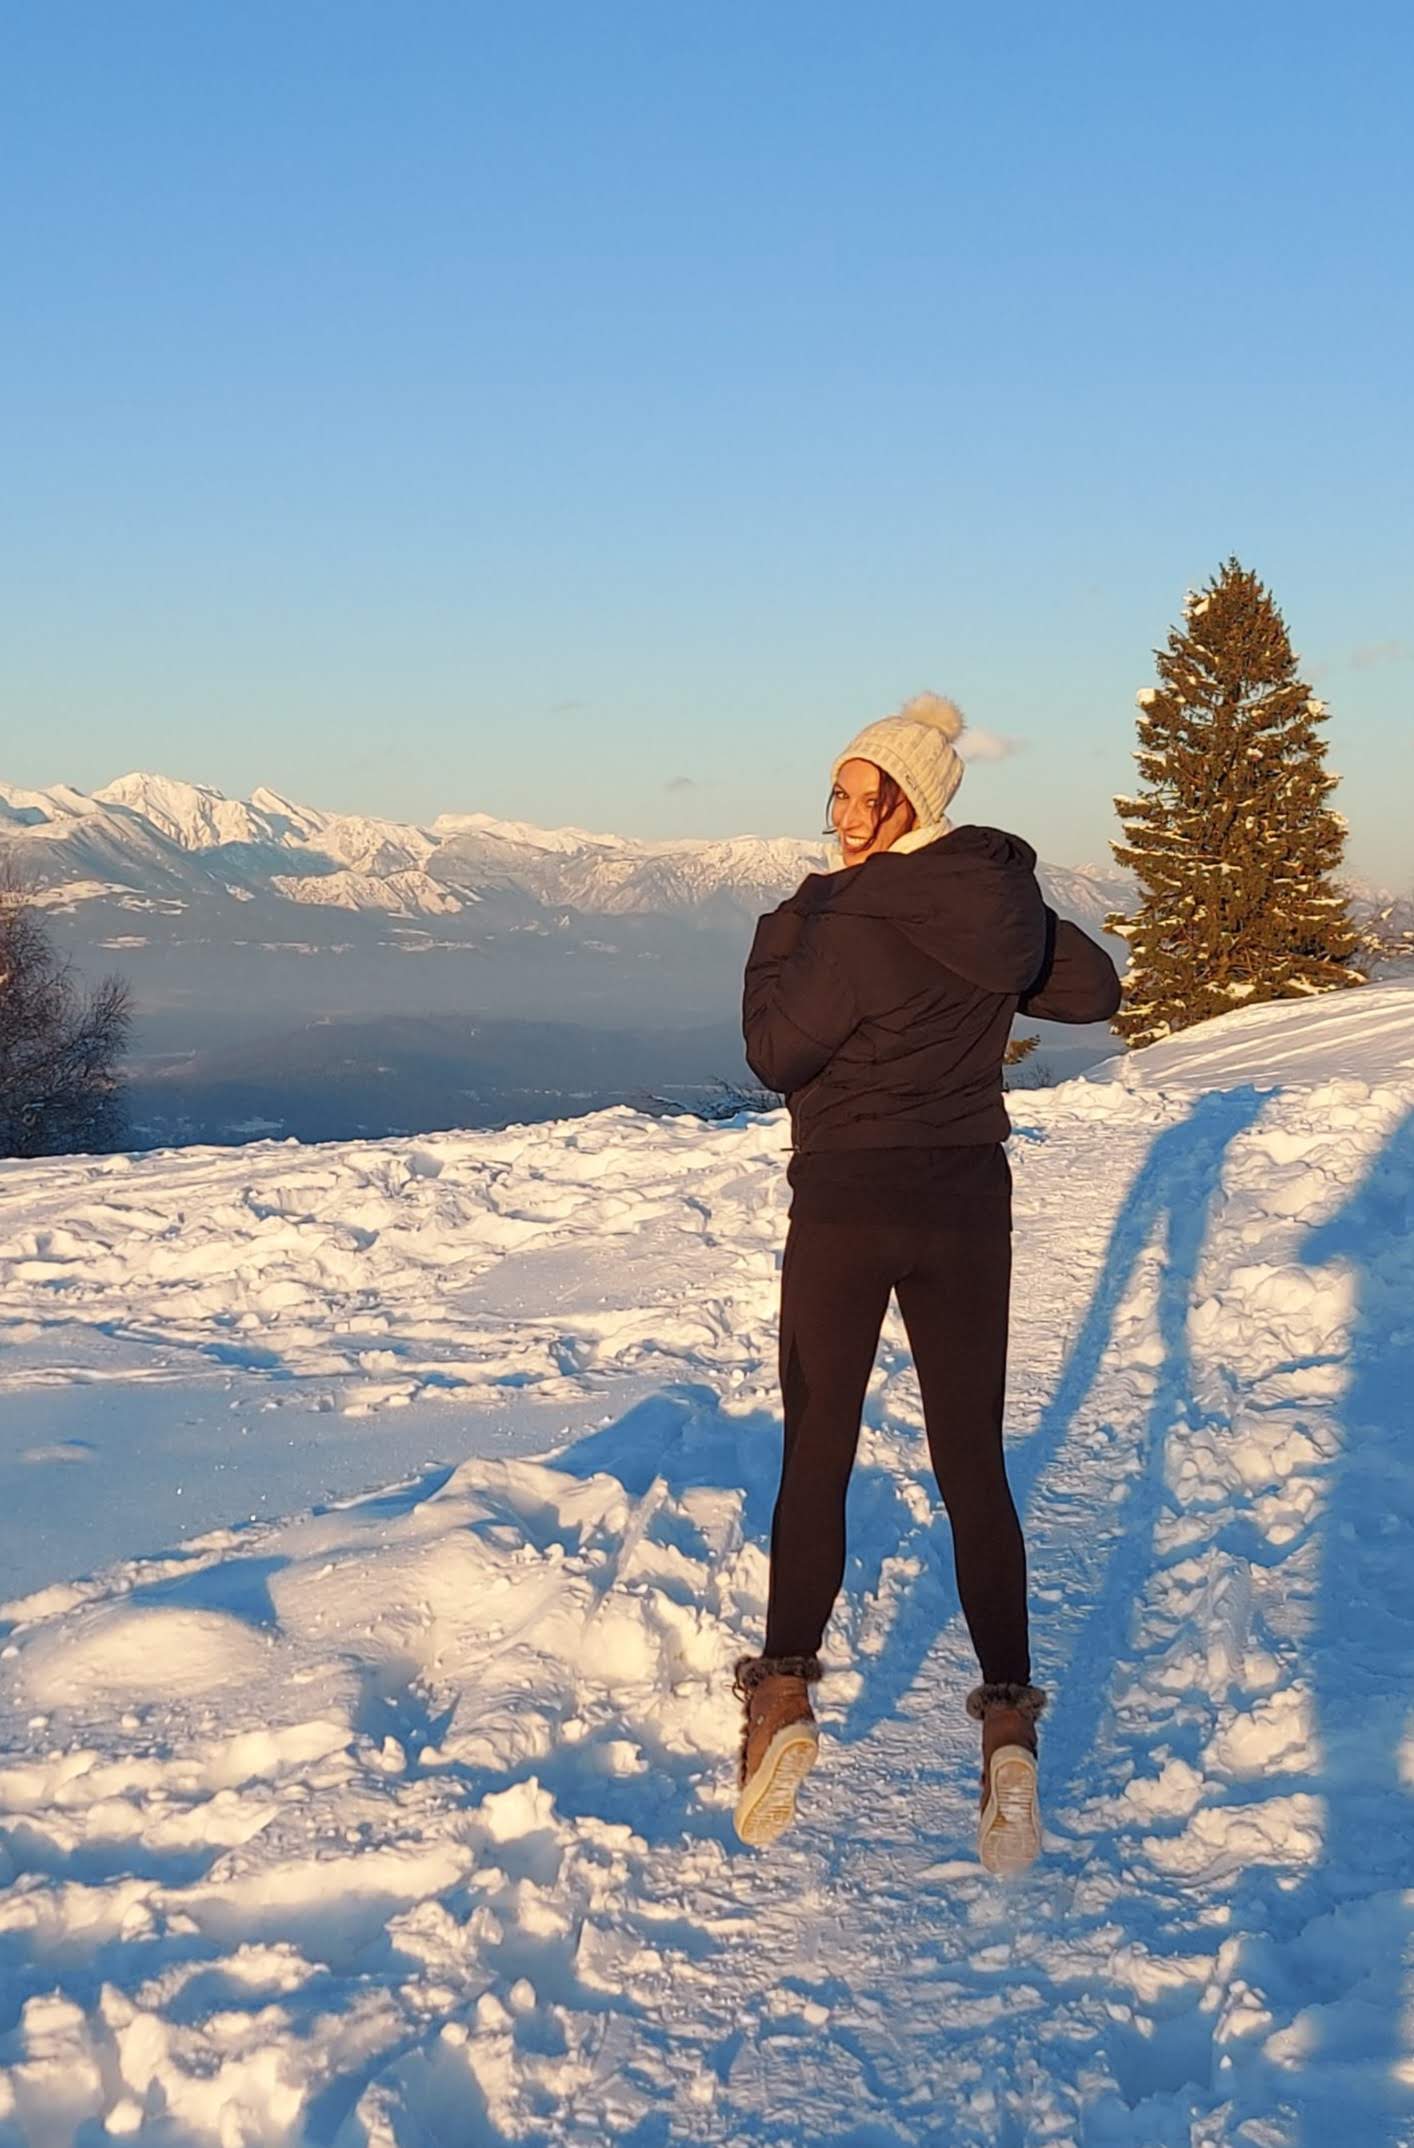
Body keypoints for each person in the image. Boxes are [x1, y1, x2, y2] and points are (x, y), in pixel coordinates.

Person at [731, 691, 1121, 1874]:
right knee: (972, 1464)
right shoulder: (988, 907)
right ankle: (1007, 1719)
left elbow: (771, 1052)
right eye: (835, 793)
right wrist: (1011, 934)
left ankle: (785, 1697)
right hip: (966, 1208)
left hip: (846, 1206)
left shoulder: (836, 919)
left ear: (906, 798)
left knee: (820, 1451)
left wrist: (779, 934)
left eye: (858, 793)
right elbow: (1092, 992)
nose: (839, 812)